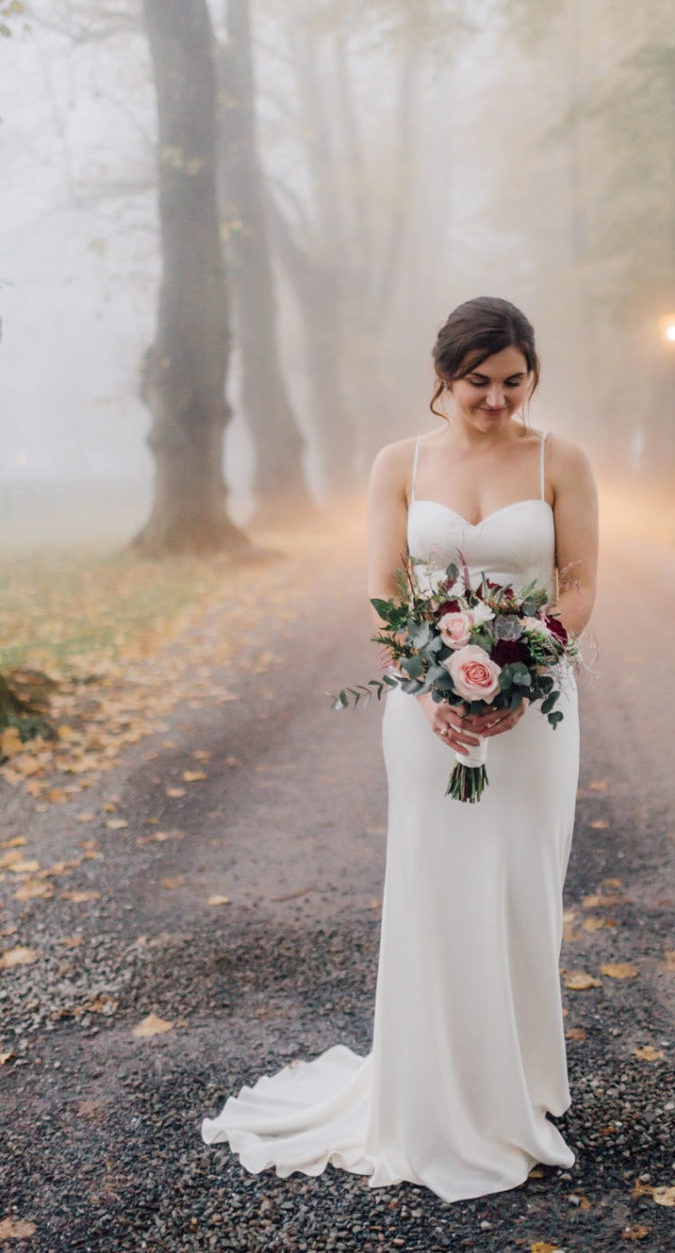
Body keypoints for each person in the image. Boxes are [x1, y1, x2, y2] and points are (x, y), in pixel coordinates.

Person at [202, 296, 599, 1202]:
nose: (496, 401)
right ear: (443, 379)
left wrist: (525, 661)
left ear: (532, 373)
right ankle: (433, 1096)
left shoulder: (560, 460)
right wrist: (436, 686)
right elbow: (385, 593)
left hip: (536, 707)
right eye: (476, 384)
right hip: (425, 708)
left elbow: (578, 584)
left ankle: (522, 1083)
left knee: (521, 882)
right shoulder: (399, 464)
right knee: (438, 881)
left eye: (513, 382)